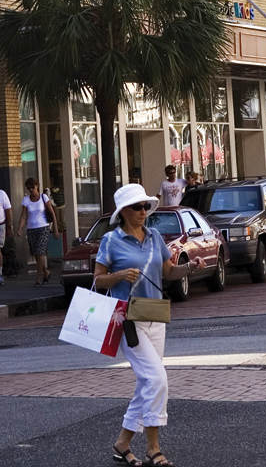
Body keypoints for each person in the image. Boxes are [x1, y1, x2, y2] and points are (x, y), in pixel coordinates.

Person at [95, 182, 191, 467]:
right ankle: (153, 447)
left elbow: (168, 271)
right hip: (128, 320)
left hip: (155, 314)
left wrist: (189, 268)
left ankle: (123, 442)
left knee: (147, 383)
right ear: (123, 212)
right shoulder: (111, 241)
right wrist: (120, 275)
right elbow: (98, 279)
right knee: (157, 379)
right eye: (137, 207)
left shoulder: (154, 236)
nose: (142, 211)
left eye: (145, 206)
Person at [16, 177, 58, 285]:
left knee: (40, 252)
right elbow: (24, 216)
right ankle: (46, 272)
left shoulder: (43, 197)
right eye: (29, 188)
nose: (31, 190)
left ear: (37, 186)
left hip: (43, 228)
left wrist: (56, 229)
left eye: (33, 187)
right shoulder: (26, 200)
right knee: (36, 253)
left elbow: (52, 213)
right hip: (31, 229)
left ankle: (39, 276)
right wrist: (20, 229)